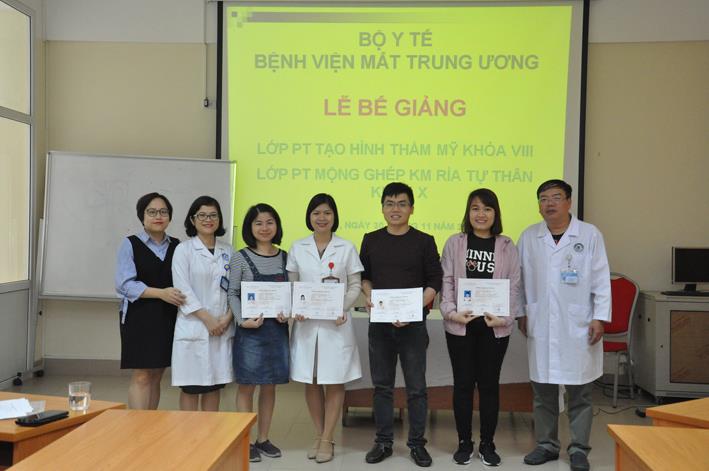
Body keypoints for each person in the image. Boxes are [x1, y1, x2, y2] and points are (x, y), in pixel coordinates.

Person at [517, 179, 611, 471]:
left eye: (556, 197)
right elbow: (519, 280)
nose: (549, 203)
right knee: (543, 390)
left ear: (569, 202)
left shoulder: (589, 234)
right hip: (541, 323)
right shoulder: (529, 236)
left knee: (580, 392)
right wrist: (521, 313)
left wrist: (599, 317)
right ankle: (546, 445)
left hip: (579, 325)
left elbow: (601, 279)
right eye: (544, 198)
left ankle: (579, 448)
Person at [359, 182, 442, 468]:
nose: (396, 209)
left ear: (412, 208)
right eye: (390, 203)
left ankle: (417, 444)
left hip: (413, 326)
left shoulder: (424, 241)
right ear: (382, 208)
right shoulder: (371, 239)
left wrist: (413, 308)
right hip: (380, 326)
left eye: (402, 203)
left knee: (416, 387)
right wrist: (369, 295)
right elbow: (365, 277)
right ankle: (383, 442)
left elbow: (435, 281)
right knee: (382, 386)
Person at [439, 188, 522, 466]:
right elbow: (446, 281)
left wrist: (505, 318)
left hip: (494, 327)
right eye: (475, 208)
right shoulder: (455, 243)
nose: (481, 214)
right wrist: (451, 313)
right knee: (463, 385)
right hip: (460, 326)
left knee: (489, 386)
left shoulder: (507, 246)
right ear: (468, 212)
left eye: (487, 208)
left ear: (495, 213)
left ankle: (487, 443)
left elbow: (514, 286)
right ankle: (464, 442)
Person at [287, 193, 364, 464]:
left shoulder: (346, 247)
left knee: (334, 380)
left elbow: (355, 285)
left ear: (334, 217)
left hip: (336, 324)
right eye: (316, 212)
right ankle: (319, 435)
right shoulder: (298, 247)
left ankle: (328, 438)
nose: (322, 218)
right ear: (309, 216)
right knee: (311, 380)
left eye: (327, 213)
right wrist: (297, 306)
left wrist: (341, 307)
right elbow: (293, 285)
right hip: (307, 325)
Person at [227, 203, 289, 463]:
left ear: (277, 226)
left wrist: (287, 312)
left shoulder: (286, 257)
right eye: (258, 223)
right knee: (246, 386)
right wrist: (242, 321)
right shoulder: (240, 257)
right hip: (250, 331)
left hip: (277, 330)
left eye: (269, 222)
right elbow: (232, 293)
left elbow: (290, 294)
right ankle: (247, 439)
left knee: (269, 385)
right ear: (249, 227)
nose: (264, 228)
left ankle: (263, 438)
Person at [115, 192, 185, 410]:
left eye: (163, 212)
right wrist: (161, 293)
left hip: (168, 316)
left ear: (170, 217)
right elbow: (125, 285)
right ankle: (138, 425)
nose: (158, 216)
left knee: (157, 374)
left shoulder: (177, 245)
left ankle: (150, 423)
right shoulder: (130, 244)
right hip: (139, 316)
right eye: (152, 212)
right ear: (142, 216)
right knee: (142, 374)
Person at [171, 195, 235, 411]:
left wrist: (227, 317)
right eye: (202, 215)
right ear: (192, 219)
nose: (208, 220)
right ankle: (188, 432)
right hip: (195, 325)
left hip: (222, 326)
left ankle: (211, 432)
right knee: (191, 387)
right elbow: (183, 290)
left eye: (213, 215)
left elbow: (235, 288)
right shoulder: (184, 250)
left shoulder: (229, 251)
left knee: (213, 387)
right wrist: (208, 320)